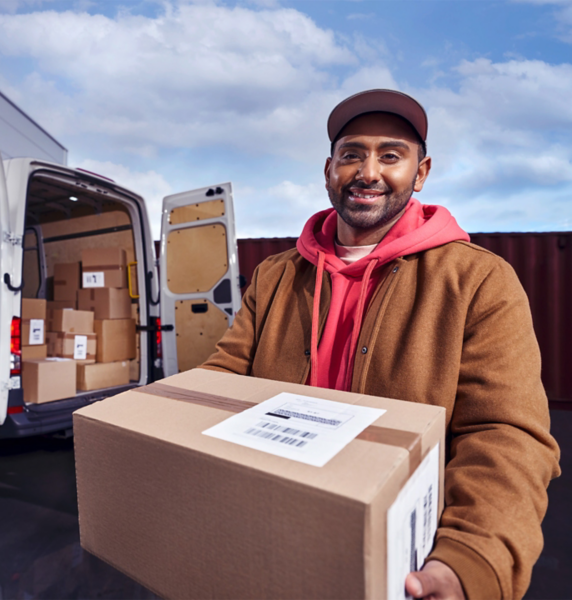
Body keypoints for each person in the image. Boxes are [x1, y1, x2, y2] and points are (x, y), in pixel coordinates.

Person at [200, 89, 560, 599]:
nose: (368, 171)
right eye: (352, 154)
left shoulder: (479, 280)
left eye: (391, 155)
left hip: (404, 556)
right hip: (273, 526)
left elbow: (506, 434)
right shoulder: (275, 276)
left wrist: (470, 559)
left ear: (421, 172)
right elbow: (221, 379)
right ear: (329, 170)